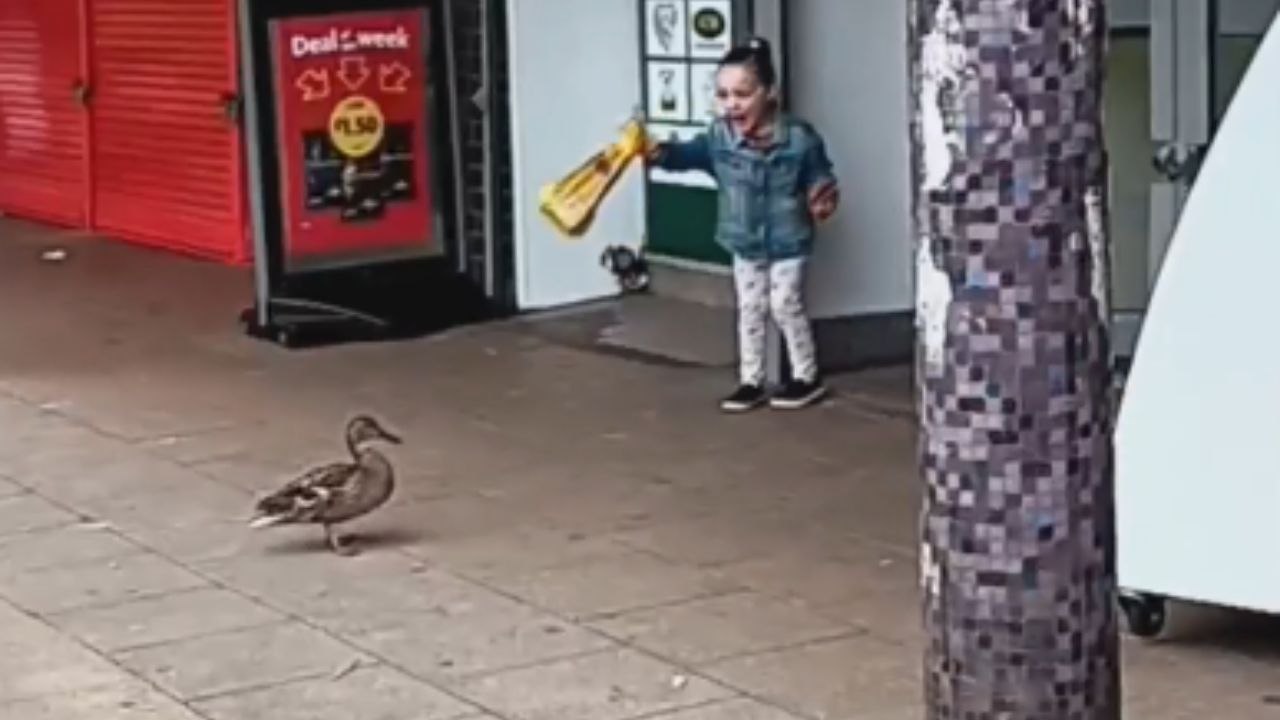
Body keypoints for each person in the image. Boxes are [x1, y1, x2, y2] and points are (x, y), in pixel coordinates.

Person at [647, 36, 839, 412]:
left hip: (788, 238)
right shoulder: (718, 138)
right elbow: (686, 155)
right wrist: (658, 153)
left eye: (742, 93)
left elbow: (820, 174)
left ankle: (806, 375)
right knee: (750, 306)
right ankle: (751, 380)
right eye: (723, 95)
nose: (731, 104)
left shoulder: (799, 138)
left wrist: (822, 195)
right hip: (744, 238)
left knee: (785, 303)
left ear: (769, 93)